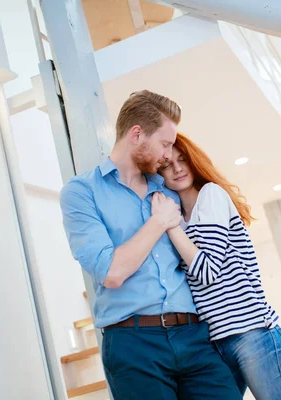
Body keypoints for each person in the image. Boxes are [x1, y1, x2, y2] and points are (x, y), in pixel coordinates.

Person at [60, 90, 242, 400]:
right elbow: (112, 272)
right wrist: (158, 222)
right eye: (165, 143)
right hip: (133, 344)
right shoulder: (81, 192)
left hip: (194, 335)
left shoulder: (170, 190)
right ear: (136, 135)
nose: (169, 155)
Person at [157, 133, 281, 400]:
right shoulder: (180, 216)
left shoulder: (210, 196)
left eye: (183, 160)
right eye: (167, 164)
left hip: (252, 333)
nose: (177, 168)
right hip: (215, 342)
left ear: (194, 162)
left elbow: (208, 271)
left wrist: (170, 226)